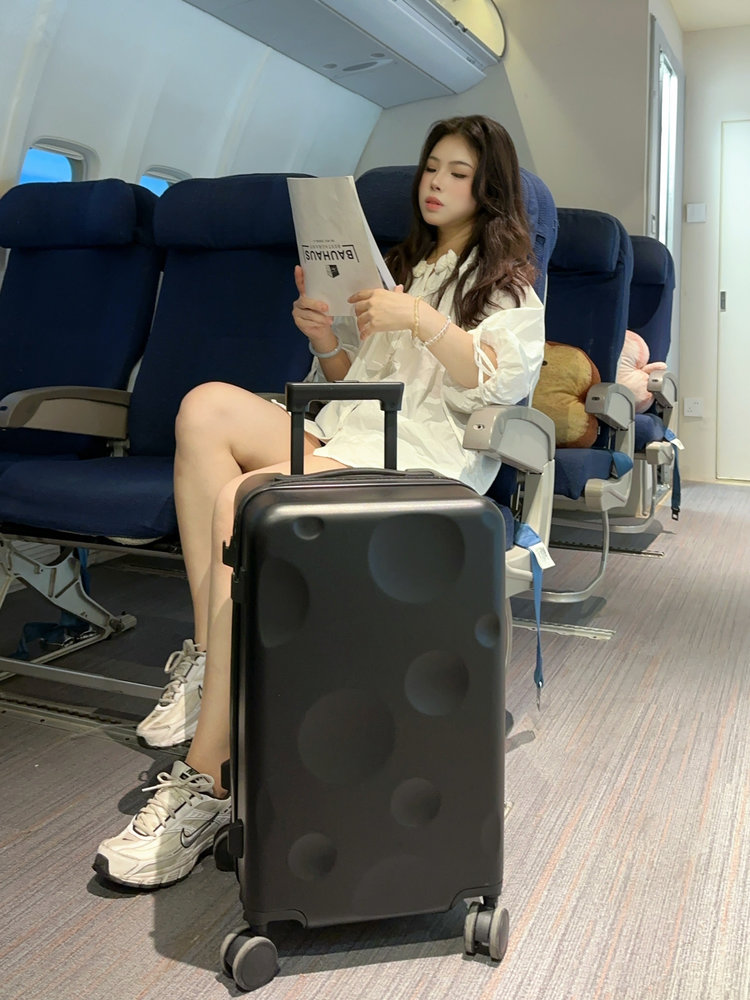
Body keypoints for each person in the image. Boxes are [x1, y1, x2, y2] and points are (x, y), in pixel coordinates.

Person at [93, 114, 545, 888]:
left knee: (244, 498)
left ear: (490, 189)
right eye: (431, 167)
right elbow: (350, 385)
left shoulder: (508, 292)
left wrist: (422, 320)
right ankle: (207, 659)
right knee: (204, 407)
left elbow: (493, 383)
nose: (435, 183)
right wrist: (328, 339)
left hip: (419, 462)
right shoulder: (401, 269)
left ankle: (209, 779)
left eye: (458, 172)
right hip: (351, 435)